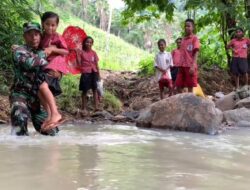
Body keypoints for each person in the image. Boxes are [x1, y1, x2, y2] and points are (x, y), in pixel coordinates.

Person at [10, 22, 59, 136]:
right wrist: (48, 57)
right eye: (30, 34)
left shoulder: (42, 51)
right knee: (19, 123)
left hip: (36, 99)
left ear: (40, 36)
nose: (34, 37)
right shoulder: (19, 50)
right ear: (24, 36)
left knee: (53, 132)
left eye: (36, 34)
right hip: (20, 95)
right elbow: (30, 63)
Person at [34, 11, 69, 129]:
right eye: (47, 24)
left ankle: (55, 113)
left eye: (53, 25)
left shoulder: (57, 37)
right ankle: (50, 116)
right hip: (44, 67)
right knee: (39, 91)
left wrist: (53, 49)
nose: (50, 27)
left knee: (43, 87)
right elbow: (34, 49)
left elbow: (66, 51)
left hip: (55, 66)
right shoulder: (41, 36)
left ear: (57, 26)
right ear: (43, 24)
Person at [175, 18, 200, 93]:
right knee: (178, 85)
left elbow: (196, 52)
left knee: (190, 88)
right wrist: (179, 65)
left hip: (190, 66)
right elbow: (182, 53)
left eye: (189, 26)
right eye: (185, 26)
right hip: (182, 66)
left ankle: (190, 103)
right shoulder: (183, 39)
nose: (186, 28)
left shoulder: (195, 39)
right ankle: (183, 101)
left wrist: (193, 66)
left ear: (193, 28)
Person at [78, 36, 100, 116]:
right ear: (84, 43)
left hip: (94, 72)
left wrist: (99, 75)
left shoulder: (94, 53)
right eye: (87, 42)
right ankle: (84, 108)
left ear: (92, 44)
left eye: (90, 42)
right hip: (85, 73)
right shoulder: (81, 52)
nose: (89, 44)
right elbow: (78, 64)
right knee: (85, 90)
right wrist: (77, 55)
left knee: (95, 89)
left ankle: (96, 107)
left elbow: (96, 64)